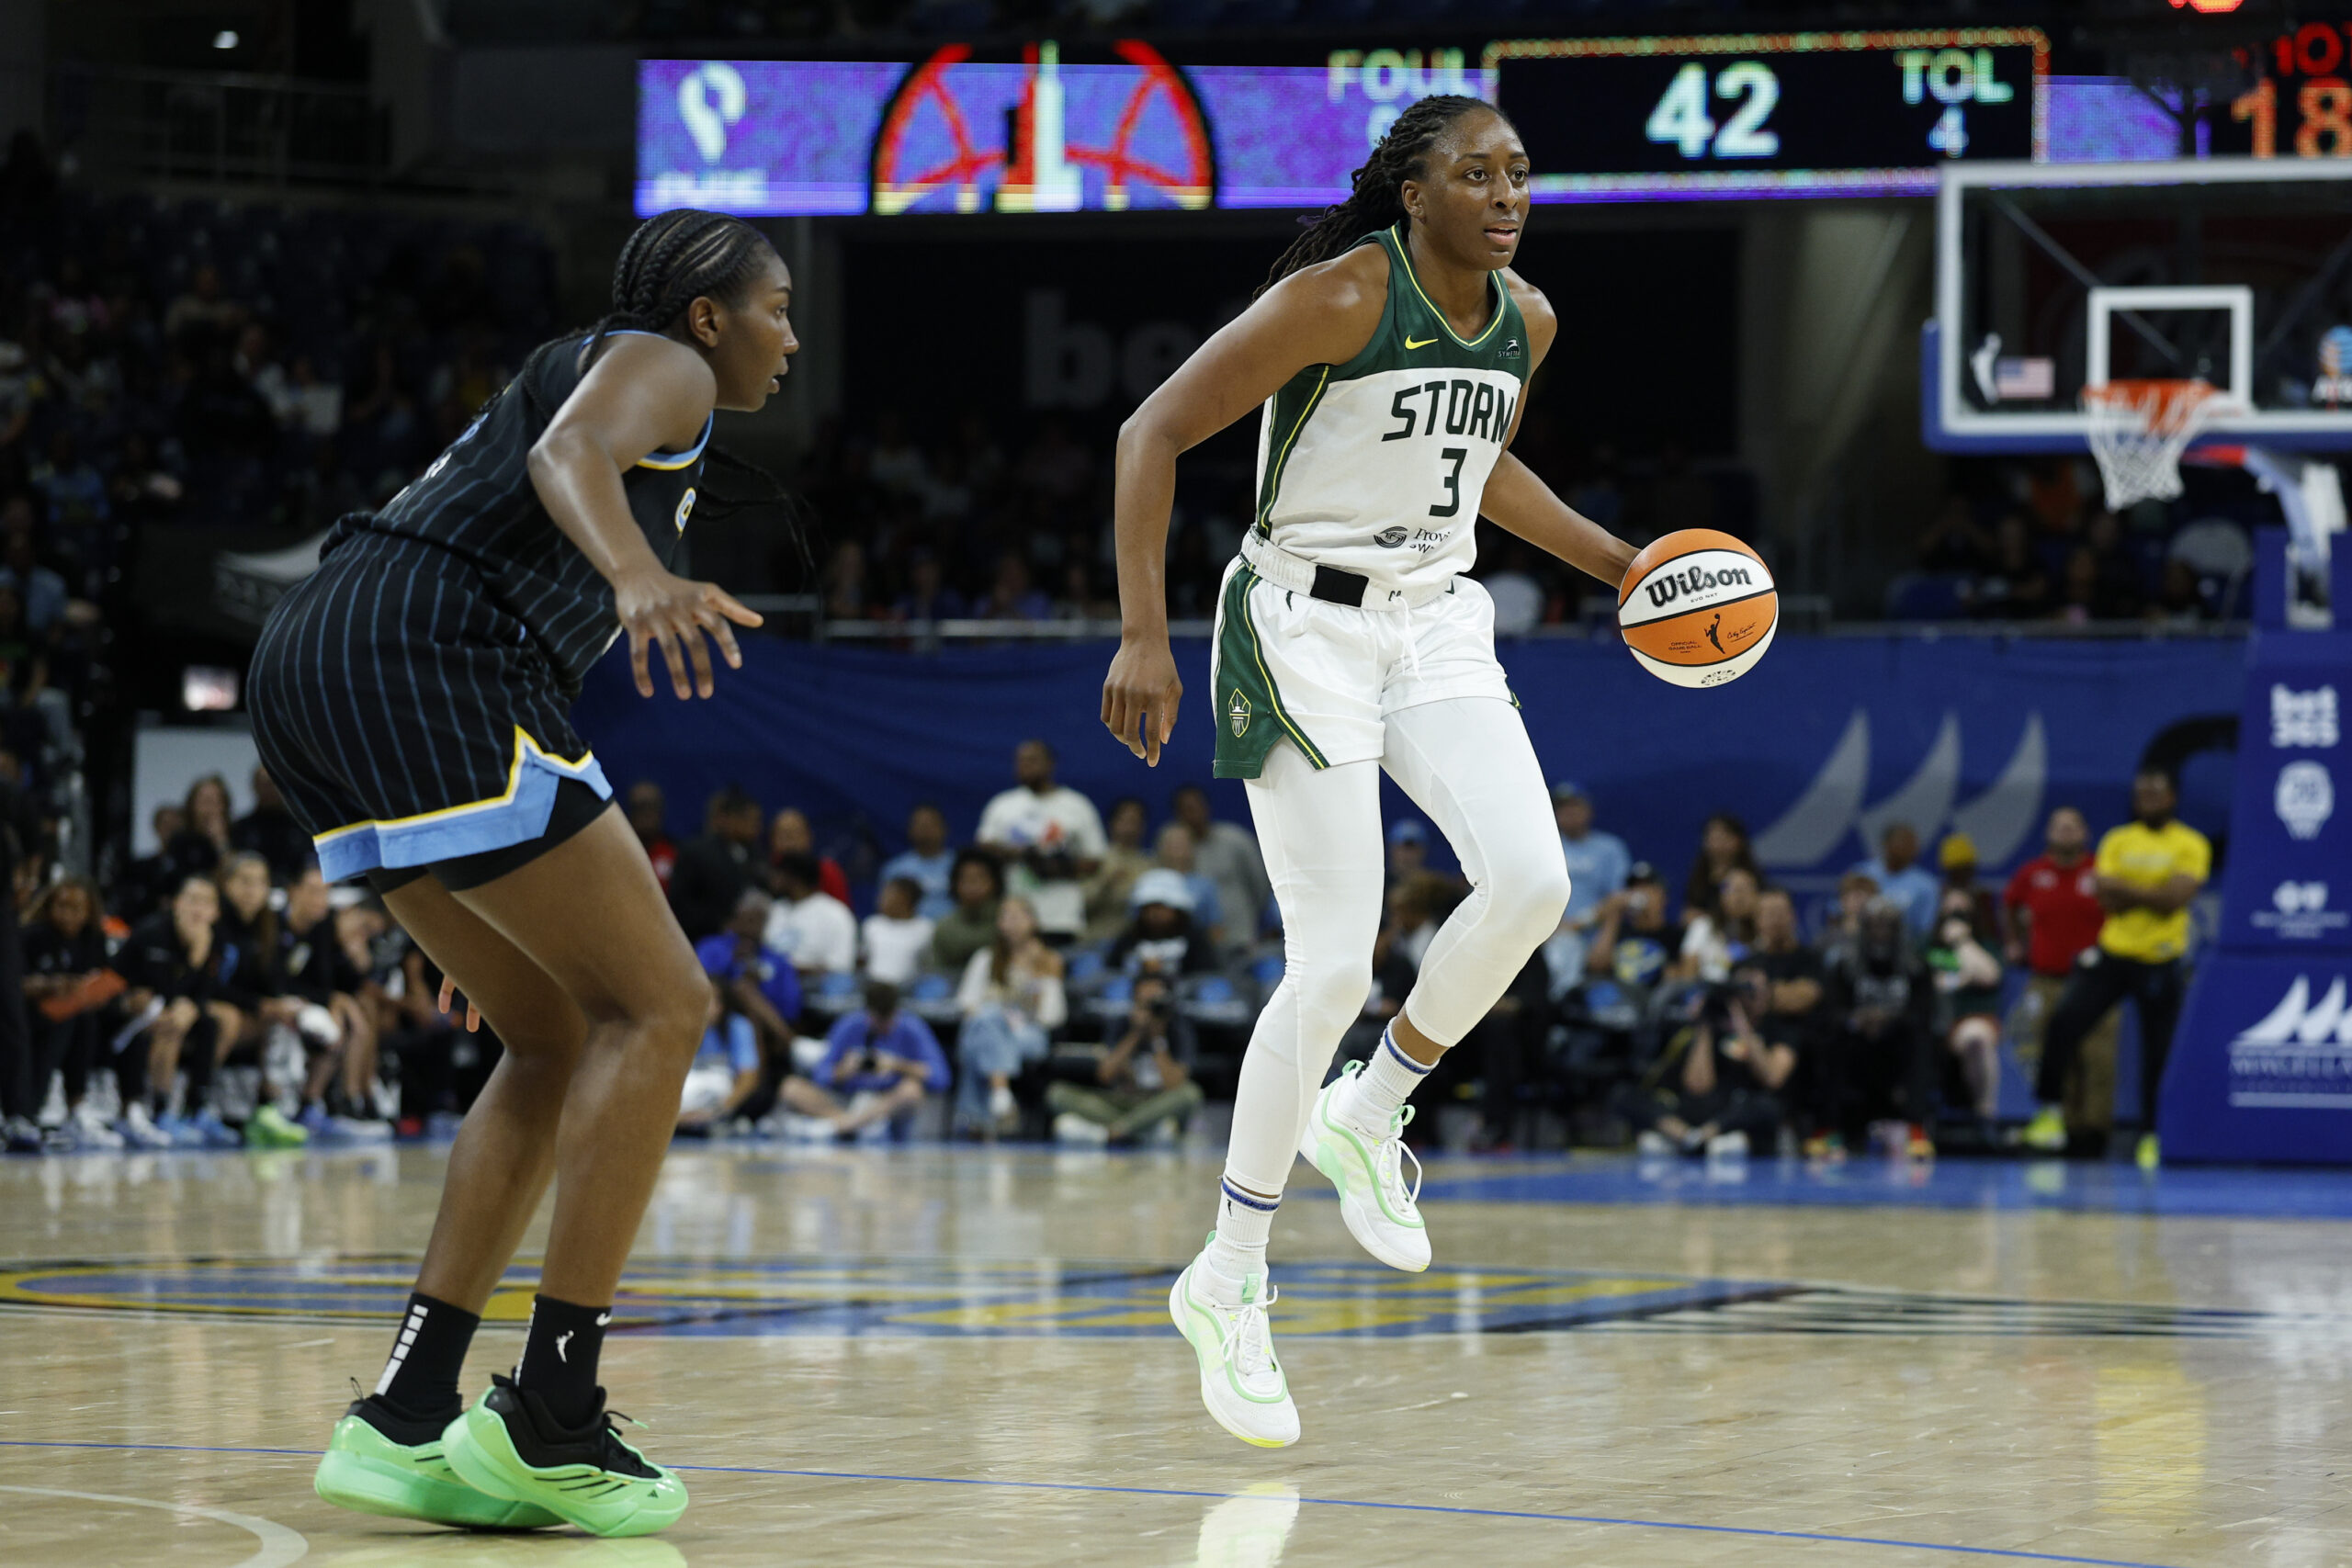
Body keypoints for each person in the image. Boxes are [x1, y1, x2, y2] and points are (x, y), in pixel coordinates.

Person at [250, 208, 795, 1535]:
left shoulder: (599, 365)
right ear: (709, 315)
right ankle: (553, 1409)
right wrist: (636, 574)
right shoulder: (662, 364)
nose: (789, 335)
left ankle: (403, 1411)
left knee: (550, 1030)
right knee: (667, 1007)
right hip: (427, 654)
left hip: (317, 657)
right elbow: (571, 451)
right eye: (775, 306)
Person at [1100, 95, 1627, 1449]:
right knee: (1329, 962)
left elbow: (1479, 469)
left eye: (1519, 170)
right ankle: (1226, 1275)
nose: (1506, 194)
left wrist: (1623, 564)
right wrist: (1144, 635)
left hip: (1436, 613)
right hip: (1301, 620)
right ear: (1413, 192)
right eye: (1475, 173)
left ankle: (1374, 1100)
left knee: (1531, 880)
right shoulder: (1340, 298)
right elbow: (1148, 433)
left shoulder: (1531, 319)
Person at [2021, 770, 2210, 1169]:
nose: (2148, 801)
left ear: (2172, 798)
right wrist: (2153, 891)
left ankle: (2150, 1135)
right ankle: (2050, 1113)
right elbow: (2108, 900)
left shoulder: (2189, 843)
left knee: (2156, 1050)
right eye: (2141, 795)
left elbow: (2174, 900)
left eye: (2156, 794)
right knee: (2064, 1022)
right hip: (2113, 952)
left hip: (2161, 957)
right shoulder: (2118, 840)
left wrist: (2131, 890)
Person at [2002, 807, 2116, 1140]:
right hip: (2046, 978)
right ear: (2048, 834)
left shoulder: (2101, 871)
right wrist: (2015, 942)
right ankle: (2057, 1126)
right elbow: (2009, 904)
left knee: (2097, 1055)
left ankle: (2093, 1131)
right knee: (2049, 1051)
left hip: (2097, 981)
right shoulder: (2032, 873)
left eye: (2072, 827)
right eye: (2059, 827)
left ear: (2085, 834)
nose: (2065, 833)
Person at [277, 864, 390, 1139]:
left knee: (361, 1009)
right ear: (293, 891)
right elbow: (278, 982)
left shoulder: (324, 927)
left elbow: (337, 981)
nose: (321, 900)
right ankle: (316, 1101)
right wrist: (333, 999)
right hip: (279, 1001)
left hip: (312, 1002)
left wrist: (356, 956)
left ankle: (353, 1100)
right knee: (336, 1020)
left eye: (326, 892)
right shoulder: (275, 926)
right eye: (314, 891)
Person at [1617, 990, 1793, 1158]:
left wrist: (1741, 1024)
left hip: (1732, 1109)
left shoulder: (1773, 1028)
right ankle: (1685, 1135)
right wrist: (1704, 1025)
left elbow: (1773, 1079)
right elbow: (1697, 1085)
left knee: (1768, 1106)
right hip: (1691, 1108)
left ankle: (1701, 1138)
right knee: (1623, 1094)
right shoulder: (1700, 1027)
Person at [18, 876, 123, 1149]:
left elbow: (107, 980)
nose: (68, 914)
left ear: (90, 911)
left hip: (78, 1017)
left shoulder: (93, 939)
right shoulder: (32, 935)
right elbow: (15, 984)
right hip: (31, 1015)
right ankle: (30, 1110)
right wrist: (53, 985)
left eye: (77, 908)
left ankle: (79, 1108)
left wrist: (96, 992)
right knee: (65, 1020)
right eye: (62, 906)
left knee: (88, 1020)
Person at [1048, 971, 1205, 1145]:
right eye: (1143, 1002)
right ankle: (1141, 1130)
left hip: (1157, 1103)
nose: (1149, 1009)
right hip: (1120, 1102)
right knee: (1057, 1094)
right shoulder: (1121, 1025)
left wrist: (1157, 1038)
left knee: (1191, 1094)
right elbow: (1105, 1074)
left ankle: (1115, 1132)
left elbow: (1173, 1084)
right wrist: (1135, 1033)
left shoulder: (1178, 1029)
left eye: (1154, 1003)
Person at [954, 895, 1066, 1134]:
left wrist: (1037, 981)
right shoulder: (986, 958)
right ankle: (1001, 1097)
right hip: (988, 1026)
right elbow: (966, 1003)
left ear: (1033, 922)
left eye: (1017, 916)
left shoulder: (1048, 960)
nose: (1010, 922)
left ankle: (976, 1121)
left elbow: (1053, 1016)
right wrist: (997, 1019)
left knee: (979, 1040)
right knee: (988, 1020)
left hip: (1028, 1033)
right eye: (1004, 916)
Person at [976, 739, 1105, 944]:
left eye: (1032, 760)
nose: (1024, 766)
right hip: (1014, 916)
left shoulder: (1076, 805)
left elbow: (1095, 860)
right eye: (1020, 761)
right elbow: (983, 850)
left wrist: (1059, 866)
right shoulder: (1003, 806)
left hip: (1061, 916)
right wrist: (1020, 854)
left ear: (1050, 764)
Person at [801, 979, 950, 1139]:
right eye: (878, 1019)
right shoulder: (850, 1025)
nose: (883, 1026)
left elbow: (941, 1077)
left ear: (897, 1011)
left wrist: (897, 1065)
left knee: (911, 1091)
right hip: (847, 1099)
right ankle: (848, 1123)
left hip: (887, 1104)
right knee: (791, 1088)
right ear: (867, 1012)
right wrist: (843, 1070)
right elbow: (819, 1075)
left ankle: (844, 1126)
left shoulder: (912, 1027)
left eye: (888, 1019)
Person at [1924, 887, 2004, 1131]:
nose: (1955, 914)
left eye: (1962, 909)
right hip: (1930, 1020)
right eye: (1950, 908)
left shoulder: (1985, 945)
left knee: (1976, 1037)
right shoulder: (1926, 946)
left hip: (1969, 1018)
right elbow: (1924, 981)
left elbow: (1990, 976)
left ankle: (1985, 1115)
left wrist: (1961, 941)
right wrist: (1964, 977)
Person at [695, 887, 802, 1053]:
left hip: (770, 1030)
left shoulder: (775, 959)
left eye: (761, 920)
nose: (754, 927)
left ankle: (784, 1043)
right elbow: (699, 985)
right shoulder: (712, 947)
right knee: (743, 989)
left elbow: (791, 1006)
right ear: (737, 917)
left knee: (750, 1002)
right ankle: (793, 1044)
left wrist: (762, 987)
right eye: (750, 919)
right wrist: (732, 965)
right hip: (717, 1018)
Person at [1172, 783, 1272, 954]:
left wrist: (1254, 919)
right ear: (1178, 815)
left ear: (1206, 807)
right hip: (1198, 947)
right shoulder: (1176, 850)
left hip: (1241, 935)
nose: (1193, 814)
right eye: (1187, 810)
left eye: (1196, 807)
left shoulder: (1236, 839)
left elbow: (1261, 884)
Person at [670, 786, 764, 942]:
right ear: (729, 818)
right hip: (701, 941)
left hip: (747, 945)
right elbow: (680, 905)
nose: (757, 827)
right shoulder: (696, 852)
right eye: (750, 820)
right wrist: (722, 924)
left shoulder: (757, 856)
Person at [676, 983, 764, 1131]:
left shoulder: (738, 1026)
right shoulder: (680, 1027)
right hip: (684, 1101)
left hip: (721, 1101)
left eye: (708, 1001)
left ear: (721, 1005)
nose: (701, 1006)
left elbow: (749, 1078)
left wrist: (719, 1111)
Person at [763, 851, 857, 979]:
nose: (772, 878)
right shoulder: (773, 909)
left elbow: (839, 969)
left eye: (778, 873)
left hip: (813, 991)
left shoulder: (836, 914)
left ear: (793, 877)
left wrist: (787, 970)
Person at [1551, 782, 1628, 934]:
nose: (1570, 812)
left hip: (1593, 934)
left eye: (1575, 806)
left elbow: (1619, 897)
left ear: (1588, 810)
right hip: (1549, 937)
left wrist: (1580, 923)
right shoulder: (1547, 847)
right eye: (1564, 807)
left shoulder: (1610, 848)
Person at [1082, 796, 1155, 942]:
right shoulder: (1095, 860)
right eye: (1124, 821)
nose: (1129, 828)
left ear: (1143, 826)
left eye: (1135, 821)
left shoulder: (1150, 865)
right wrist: (1105, 883)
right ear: (1112, 823)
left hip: (1137, 944)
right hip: (1097, 940)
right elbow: (1081, 905)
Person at [1851, 823, 1939, 938]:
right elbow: (1837, 915)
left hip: (1905, 949)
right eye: (1899, 842)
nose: (1903, 848)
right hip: (1859, 945)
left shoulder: (1927, 885)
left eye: (1909, 844)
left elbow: (1926, 930)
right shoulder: (1862, 875)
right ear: (1885, 844)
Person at [1677, 865, 1759, 983]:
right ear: (1722, 895)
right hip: (1708, 993)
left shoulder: (1763, 931)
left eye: (1745, 890)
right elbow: (1688, 970)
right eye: (1735, 890)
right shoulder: (1702, 926)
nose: (1739, 897)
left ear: (1756, 896)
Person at [927, 849, 1004, 974]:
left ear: (995, 883)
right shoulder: (944, 928)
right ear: (955, 884)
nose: (973, 885)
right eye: (966, 879)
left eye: (980, 878)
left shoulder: (1007, 923)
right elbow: (939, 974)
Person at [232, 766, 312, 883]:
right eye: (264, 783)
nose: (269, 789)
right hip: (253, 889)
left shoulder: (302, 825)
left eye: (273, 783)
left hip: (295, 889)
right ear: (255, 786)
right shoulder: (241, 828)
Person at [876, 803, 956, 920]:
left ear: (944, 828)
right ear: (910, 830)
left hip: (949, 934)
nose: (925, 829)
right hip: (907, 933)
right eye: (920, 824)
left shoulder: (959, 865)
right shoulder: (895, 869)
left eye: (930, 824)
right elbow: (884, 908)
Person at [766, 807, 851, 907]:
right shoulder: (763, 871)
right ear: (772, 840)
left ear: (809, 837)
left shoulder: (828, 872)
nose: (790, 842)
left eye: (795, 834)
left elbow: (842, 912)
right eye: (783, 835)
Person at [1680, 813, 1758, 924]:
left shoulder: (1750, 877)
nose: (1717, 844)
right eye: (1712, 838)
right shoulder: (1698, 880)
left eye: (1723, 837)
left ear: (1737, 841)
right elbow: (1688, 915)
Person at [861, 875, 934, 986]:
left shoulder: (925, 928)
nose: (881, 899)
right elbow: (863, 960)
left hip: (910, 991)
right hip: (873, 989)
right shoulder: (872, 924)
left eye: (887, 895)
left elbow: (930, 966)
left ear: (905, 898)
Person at [626, 781, 677, 892]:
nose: (647, 814)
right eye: (640, 808)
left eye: (652, 807)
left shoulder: (676, 853)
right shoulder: (619, 854)